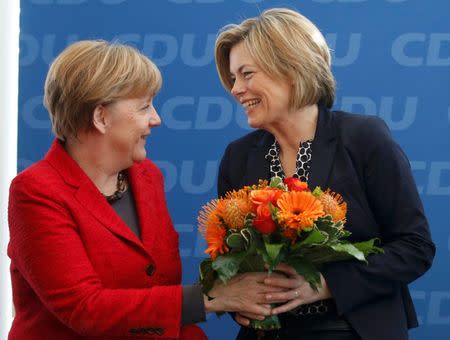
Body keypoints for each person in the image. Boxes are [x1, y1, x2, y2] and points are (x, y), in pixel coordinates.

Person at [7, 40, 278, 339]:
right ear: (101, 117)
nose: (156, 119)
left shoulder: (147, 177)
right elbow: (84, 308)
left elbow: (159, 292)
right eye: (144, 106)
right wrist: (213, 297)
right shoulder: (35, 192)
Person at [214, 8, 435, 340]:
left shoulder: (363, 138)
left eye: (246, 74)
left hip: (353, 330)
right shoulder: (238, 156)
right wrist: (241, 298)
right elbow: (231, 263)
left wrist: (326, 283)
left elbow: (415, 247)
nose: (235, 89)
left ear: (290, 69)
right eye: (233, 78)